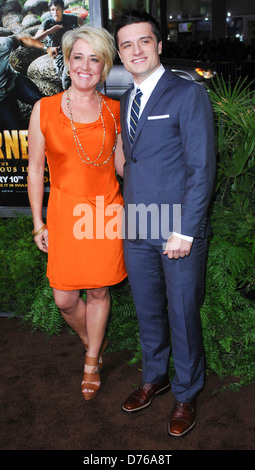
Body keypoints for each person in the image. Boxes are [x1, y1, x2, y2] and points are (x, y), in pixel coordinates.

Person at [114, 11, 216, 437]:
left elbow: (201, 166)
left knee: (182, 313)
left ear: (159, 45)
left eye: (144, 41)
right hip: (138, 223)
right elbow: (133, 162)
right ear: (119, 53)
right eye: (126, 45)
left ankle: (187, 391)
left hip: (178, 229)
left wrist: (186, 229)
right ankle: (154, 377)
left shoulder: (187, 94)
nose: (135, 50)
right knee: (147, 310)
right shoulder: (125, 100)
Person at [27, 25, 127, 401]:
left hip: (104, 214)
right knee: (65, 299)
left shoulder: (115, 111)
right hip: (65, 215)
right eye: (78, 57)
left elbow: (121, 166)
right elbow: (35, 169)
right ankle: (95, 344)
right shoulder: (45, 109)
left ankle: (90, 361)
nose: (86, 66)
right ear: (67, 62)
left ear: (104, 65)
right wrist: (39, 223)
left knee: (99, 290)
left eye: (95, 58)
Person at [0, 35, 56, 130]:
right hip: (2, 99)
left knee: (41, 101)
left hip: (14, 81)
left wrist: (47, 48)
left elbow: (22, 40)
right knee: (14, 131)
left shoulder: (3, 44)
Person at [35, 0, 84, 89]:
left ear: (62, 10)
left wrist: (81, 30)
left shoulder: (70, 18)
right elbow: (35, 40)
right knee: (67, 74)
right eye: (53, 9)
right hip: (58, 52)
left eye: (58, 9)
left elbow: (79, 19)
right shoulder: (48, 22)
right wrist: (49, 31)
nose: (55, 12)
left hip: (72, 49)